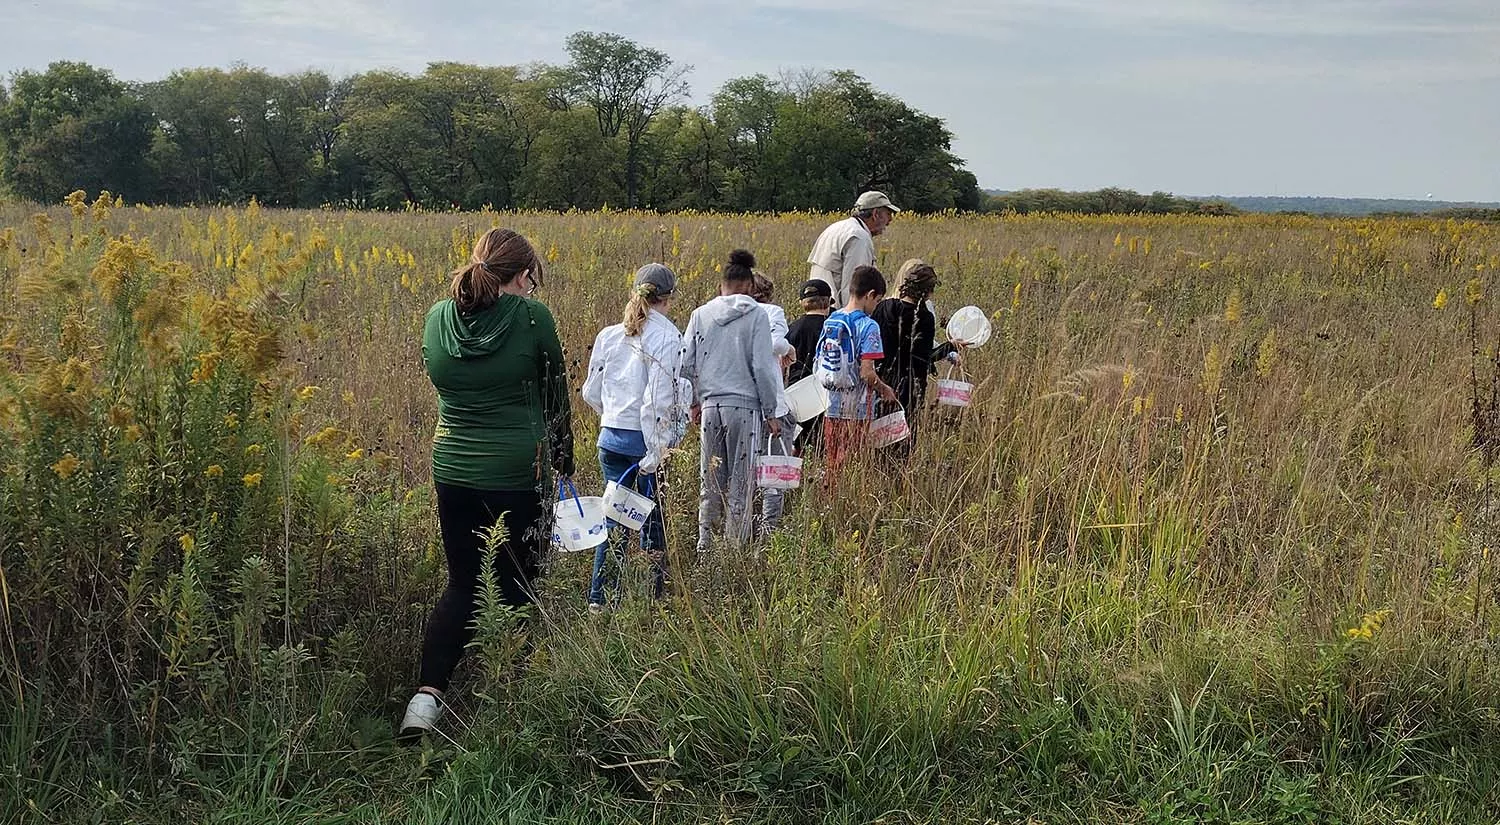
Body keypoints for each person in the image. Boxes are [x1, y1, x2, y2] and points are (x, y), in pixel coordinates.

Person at [402, 228, 574, 739]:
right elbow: (556, 395)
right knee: (519, 582)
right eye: (532, 280)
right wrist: (565, 460)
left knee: (463, 582)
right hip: (519, 473)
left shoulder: (438, 318)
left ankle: (424, 702)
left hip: (452, 469)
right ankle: (509, 699)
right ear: (522, 276)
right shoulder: (532, 317)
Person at [580, 264, 688, 610]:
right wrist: (656, 450)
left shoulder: (609, 335)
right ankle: (652, 596)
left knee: (615, 519)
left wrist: (612, 417)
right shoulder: (667, 336)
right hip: (643, 444)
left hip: (610, 440)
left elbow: (590, 392)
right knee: (651, 520)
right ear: (668, 298)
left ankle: (601, 599)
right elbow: (656, 400)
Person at [681, 250, 782, 553]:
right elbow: (763, 367)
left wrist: (695, 401)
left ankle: (705, 546)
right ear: (750, 286)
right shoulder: (757, 316)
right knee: (741, 484)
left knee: (710, 481)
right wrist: (771, 410)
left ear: (721, 284)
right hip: (746, 408)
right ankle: (733, 550)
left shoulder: (700, 315)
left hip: (711, 407)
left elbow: (686, 363)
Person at [817, 265, 897, 481]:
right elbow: (867, 373)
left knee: (832, 463)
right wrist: (884, 389)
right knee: (852, 464)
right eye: (877, 300)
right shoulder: (868, 326)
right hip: (858, 408)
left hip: (831, 405)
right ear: (870, 295)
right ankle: (842, 508)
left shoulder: (831, 320)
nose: (876, 306)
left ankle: (828, 503)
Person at [870, 259, 962, 416]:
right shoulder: (924, 318)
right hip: (910, 389)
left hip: (879, 383)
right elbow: (925, 357)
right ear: (927, 292)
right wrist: (950, 346)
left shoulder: (884, 307)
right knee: (905, 434)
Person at [750, 270, 796, 533]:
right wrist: (788, 349)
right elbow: (776, 342)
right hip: (773, 407)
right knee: (774, 473)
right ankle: (768, 531)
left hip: (741, 405)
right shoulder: (771, 312)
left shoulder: (729, 314)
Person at [806, 191, 900, 305]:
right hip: (836, 313)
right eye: (888, 214)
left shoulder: (837, 228)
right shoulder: (859, 237)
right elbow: (854, 288)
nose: (890, 220)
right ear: (875, 214)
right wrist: (854, 319)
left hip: (817, 308)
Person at [784, 279, 833, 454]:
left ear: (801, 303)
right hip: (823, 395)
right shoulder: (832, 327)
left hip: (796, 392)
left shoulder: (791, 329)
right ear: (827, 301)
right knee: (822, 444)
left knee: (797, 445)